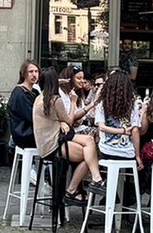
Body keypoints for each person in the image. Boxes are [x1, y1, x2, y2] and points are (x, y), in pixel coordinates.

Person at [33, 68, 105, 206]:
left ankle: (95, 179)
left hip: (48, 141)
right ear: (54, 83)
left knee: (89, 142)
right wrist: (73, 102)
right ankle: (72, 190)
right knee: (89, 155)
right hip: (54, 144)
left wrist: (58, 81)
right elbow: (69, 121)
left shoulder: (40, 97)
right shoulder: (55, 100)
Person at [96, 70, 143, 168]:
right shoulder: (133, 104)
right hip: (127, 153)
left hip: (106, 151)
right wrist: (138, 155)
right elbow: (135, 131)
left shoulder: (102, 103)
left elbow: (102, 127)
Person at [8, 59, 40, 151]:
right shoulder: (20, 93)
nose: (34, 74)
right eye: (30, 72)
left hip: (33, 131)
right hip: (25, 134)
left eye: (36, 71)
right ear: (24, 73)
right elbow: (32, 116)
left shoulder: (35, 91)